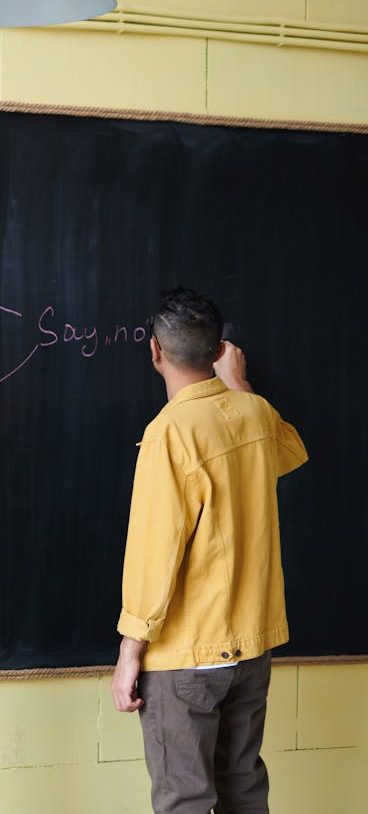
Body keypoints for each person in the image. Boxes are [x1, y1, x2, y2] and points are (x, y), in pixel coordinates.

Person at [110, 288, 307, 814]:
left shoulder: (169, 434)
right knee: (244, 788)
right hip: (252, 645)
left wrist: (130, 652)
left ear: (155, 351)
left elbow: (155, 554)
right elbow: (291, 452)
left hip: (186, 655)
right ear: (219, 349)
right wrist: (239, 386)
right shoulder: (255, 415)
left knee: (185, 800)